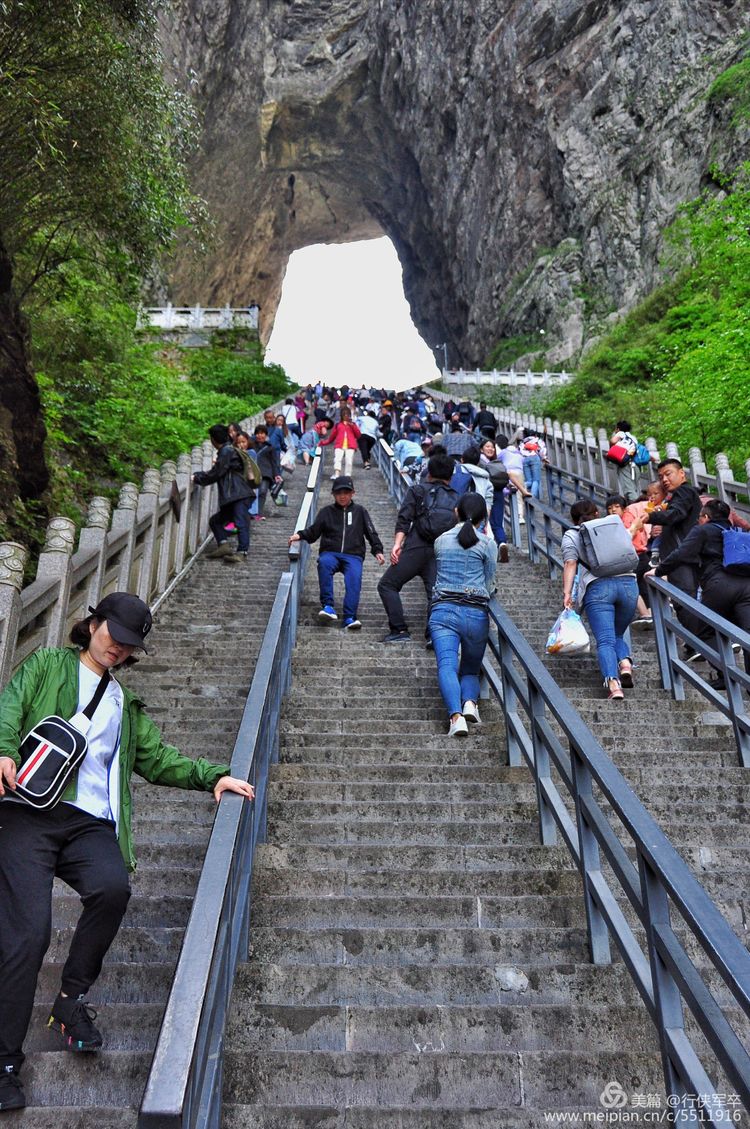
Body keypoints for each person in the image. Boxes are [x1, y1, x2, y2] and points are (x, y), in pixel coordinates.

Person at [0, 593, 254, 1111]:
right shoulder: (49, 664)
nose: (117, 647)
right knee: (29, 933)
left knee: (112, 887)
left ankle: (71, 1000)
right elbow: (10, 707)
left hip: (91, 823)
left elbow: (157, 760)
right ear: (92, 623)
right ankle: (5, 1062)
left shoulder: (124, 704)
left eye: (128, 643)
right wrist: (3, 750)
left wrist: (214, 776)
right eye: (112, 633)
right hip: (29, 812)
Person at [648, 499, 750, 687]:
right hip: (746, 585)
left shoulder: (703, 530)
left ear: (705, 517)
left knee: (703, 631)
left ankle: (728, 675)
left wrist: (659, 570)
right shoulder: (738, 532)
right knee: (747, 635)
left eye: (700, 517)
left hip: (719, 584)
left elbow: (681, 553)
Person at [429, 494, 498, 737]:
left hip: (443, 611)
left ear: (456, 511)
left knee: (446, 665)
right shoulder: (488, 544)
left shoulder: (441, 541)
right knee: (470, 668)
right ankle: (470, 703)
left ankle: (456, 718)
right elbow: (490, 584)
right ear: (483, 517)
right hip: (475, 613)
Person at [561, 498, 639, 700]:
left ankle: (614, 685)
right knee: (618, 634)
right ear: (597, 513)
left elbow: (570, 563)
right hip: (629, 584)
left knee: (605, 640)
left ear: (573, 518)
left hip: (598, 589)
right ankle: (625, 664)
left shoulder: (572, 534)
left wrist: (567, 593)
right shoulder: (612, 524)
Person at [377, 453, 458, 644]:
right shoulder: (456, 497)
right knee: (435, 594)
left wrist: (397, 544)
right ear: (450, 475)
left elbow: (404, 519)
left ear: (429, 472)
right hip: (440, 552)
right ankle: (434, 635)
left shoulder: (418, 490)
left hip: (415, 547)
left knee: (387, 585)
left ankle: (399, 630)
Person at [289, 476, 385, 629]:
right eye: (339, 493)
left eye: (346, 492)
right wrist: (299, 535)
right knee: (324, 563)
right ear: (333, 494)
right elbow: (314, 531)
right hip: (331, 552)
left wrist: (378, 550)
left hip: (353, 555)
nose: (342, 496)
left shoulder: (360, 511)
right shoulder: (326, 512)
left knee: (354, 579)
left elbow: (370, 532)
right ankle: (328, 606)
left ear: (353, 493)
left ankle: (349, 617)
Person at [645, 458, 702, 654]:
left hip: (681, 558)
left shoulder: (684, 491)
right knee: (684, 601)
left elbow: (675, 514)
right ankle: (697, 644)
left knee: (684, 600)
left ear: (682, 473)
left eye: (668, 474)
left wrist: (649, 516)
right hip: (681, 556)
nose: (664, 480)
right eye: (661, 477)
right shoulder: (678, 495)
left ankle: (698, 645)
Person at [192, 424, 253, 561]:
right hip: (233, 495)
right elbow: (218, 471)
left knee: (240, 522)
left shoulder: (226, 451)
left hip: (238, 493)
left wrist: (198, 478)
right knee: (215, 521)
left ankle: (242, 552)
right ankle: (223, 546)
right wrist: (199, 475)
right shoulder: (227, 450)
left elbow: (216, 473)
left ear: (213, 439)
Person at [479, 438, 510, 562]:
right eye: (487, 446)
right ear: (482, 448)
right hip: (498, 494)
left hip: (484, 493)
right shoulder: (498, 463)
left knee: (482, 522)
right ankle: (502, 543)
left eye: (492, 447)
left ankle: (484, 550)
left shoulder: (479, 462)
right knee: (497, 522)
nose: (490, 449)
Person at [318, 407, 361, 479]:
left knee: (349, 460)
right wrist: (323, 443)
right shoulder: (338, 425)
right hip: (339, 445)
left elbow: (358, 435)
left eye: (348, 414)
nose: (346, 416)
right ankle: (337, 473)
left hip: (350, 446)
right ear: (342, 415)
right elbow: (332, 437)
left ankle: (348, 475)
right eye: (344, 414)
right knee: (337, 459)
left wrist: (352, 426)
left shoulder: (353, 424)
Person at [252, 424, 283, 518]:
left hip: (266, 473)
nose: (259, 435)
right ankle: (252, 512)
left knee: (262, 492)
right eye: (257, 433)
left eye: (262, 433)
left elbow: (274, 462)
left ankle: (259, 513)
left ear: (266, 435)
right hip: (253, 473)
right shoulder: (251, 445)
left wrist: (277, 474)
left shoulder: (270, 447)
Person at [608, 420, 639, 501]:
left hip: (624, 465)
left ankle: (635, 507)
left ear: (618, 429)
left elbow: (613, 441)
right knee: (633, 488)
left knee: (629, 490)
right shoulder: (633, 437)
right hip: (634, 465)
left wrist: (612, 448)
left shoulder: (620, 433)